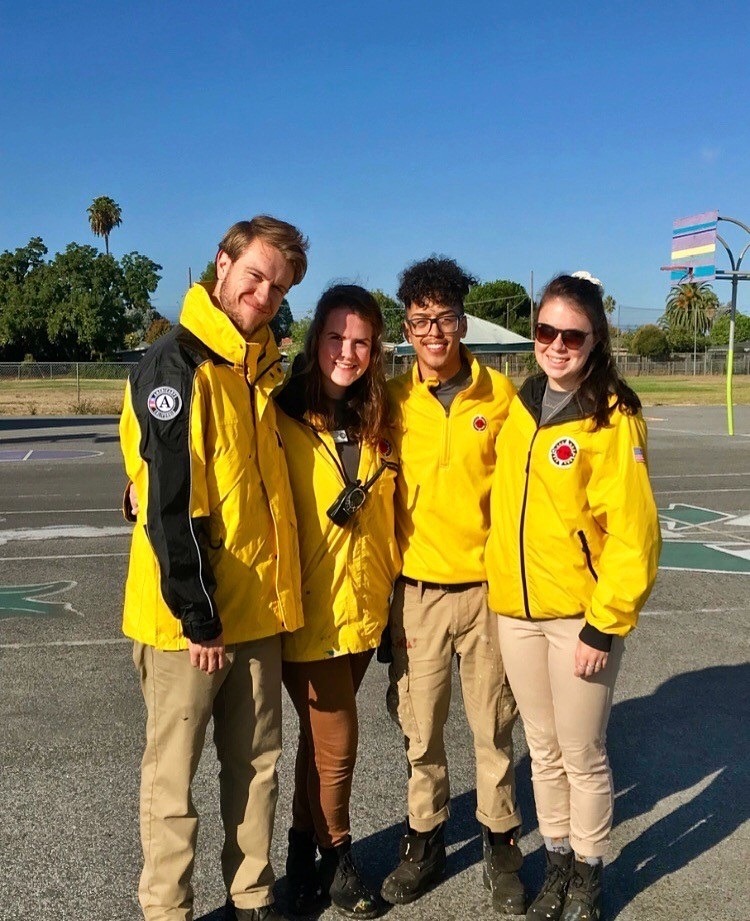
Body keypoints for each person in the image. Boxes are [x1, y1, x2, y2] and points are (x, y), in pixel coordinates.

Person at [119, 216, 308, 921]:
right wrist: (199, 616)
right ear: (221, 264)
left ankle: (252, 897)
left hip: (256, 615)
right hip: (188, 624)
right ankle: (168, 909)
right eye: (254, 274)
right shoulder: (176, 365)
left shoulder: (258, 369)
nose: (262, 293)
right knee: (173, 781)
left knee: (257, 769)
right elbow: (171, 506)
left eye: (277, 285)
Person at [485, 272, 661, 921]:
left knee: (583, 752)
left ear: (595, 339)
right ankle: (556, 860)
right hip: (517, 613)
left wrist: (603, 624)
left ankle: (588, 873)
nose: (557, 344)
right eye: (546, 331)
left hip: (579, 619)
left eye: (573, 334)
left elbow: (635, 533)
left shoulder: (614, 415)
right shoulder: (521, 404)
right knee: (544, 747)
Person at [381, 256, 526, 915]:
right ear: (406, 327)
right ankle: (427, 835)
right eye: (419, 320)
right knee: (421, 726)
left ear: (463, 320)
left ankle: (500, 839)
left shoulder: (501, 397)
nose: (433, 331)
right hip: (418, 592)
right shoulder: (391, 400)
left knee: (492, 724)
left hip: (487, 591)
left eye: (444, 317)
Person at [274, 285, 400, 920]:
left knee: (315, 745)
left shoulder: (381, 417)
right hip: (307, 609)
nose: (347, 352)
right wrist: (139, 475)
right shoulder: (279, 413)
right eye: (335, 337)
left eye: (360, 342)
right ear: (314, 338)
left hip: (364, 608)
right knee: (338, 739)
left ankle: (300, 850)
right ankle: (338, 855)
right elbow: (208, 451)